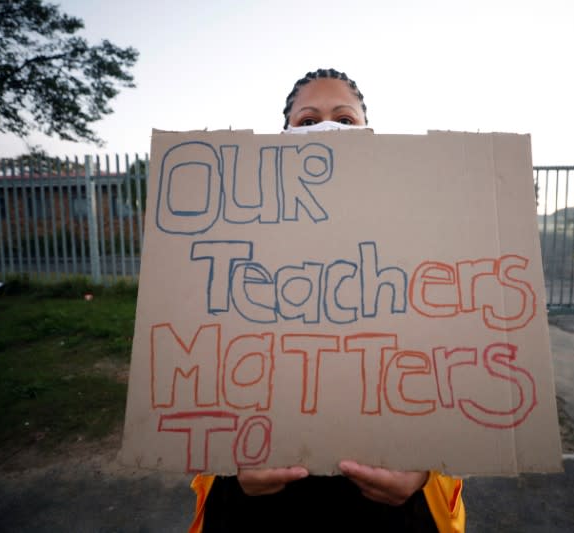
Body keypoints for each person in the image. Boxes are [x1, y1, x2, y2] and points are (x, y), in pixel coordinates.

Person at [189, 68, 465, 533]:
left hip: (388, 499)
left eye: (344, 118)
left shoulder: (419, 228)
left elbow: (454, 361)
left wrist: (422, 471)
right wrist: (230, 465)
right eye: (307, 120)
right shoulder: (234, 232)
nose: (326, 129)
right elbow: (207, 359)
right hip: (263, 496)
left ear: (367, 134)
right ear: (283, 136)